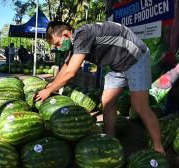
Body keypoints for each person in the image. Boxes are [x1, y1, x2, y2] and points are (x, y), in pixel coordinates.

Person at [35, 21, 165, 154]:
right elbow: (66, 66)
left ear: (66, 34)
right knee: (107, 101)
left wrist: (49, 91)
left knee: (139, 106)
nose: (58, 48)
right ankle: (110, 140)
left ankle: (159, 148)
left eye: (57, 44)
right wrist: (52, 84)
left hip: (136, 58)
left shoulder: (83, 35)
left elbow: (70, 73)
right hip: (117, 65)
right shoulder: (75, 44)